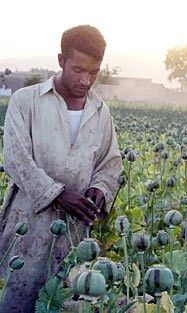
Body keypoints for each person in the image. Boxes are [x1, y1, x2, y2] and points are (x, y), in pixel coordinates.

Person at [0, 25, 122, 312]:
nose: (85, 80)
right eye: (78, 69)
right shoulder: (26, 101)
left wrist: (100, 189)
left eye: (93, 72)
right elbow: (16, 159)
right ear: (60, 60)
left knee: (66, 301)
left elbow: (111, 163)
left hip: (76, 230)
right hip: (27, 224)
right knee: (17, 299)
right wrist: (57, 194)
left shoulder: (101, 111)